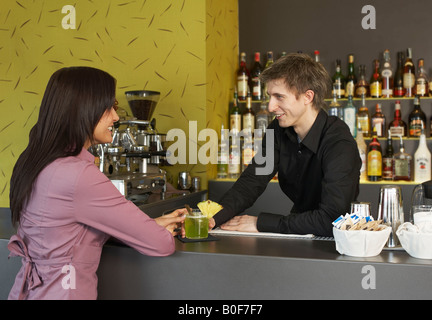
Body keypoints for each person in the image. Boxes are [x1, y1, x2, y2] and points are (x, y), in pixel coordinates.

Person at [8, 66, 186, 300]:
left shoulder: (32, 162)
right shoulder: (79, 175)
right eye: (108, 107)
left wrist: (146, 224)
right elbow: (161, 244)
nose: (116, 116)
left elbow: (66, 233)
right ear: (82, 108)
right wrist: (151, 230)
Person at [213, 53, 361, 237]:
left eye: (279, 97)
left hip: (337, 241)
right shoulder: (278, 130)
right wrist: (212, 218)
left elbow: (332, 219)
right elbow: (251, 182)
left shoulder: (339, 142)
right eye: (270, 97)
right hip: (297, 231)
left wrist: (261, 223)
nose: (270, 107)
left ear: (307, 97)